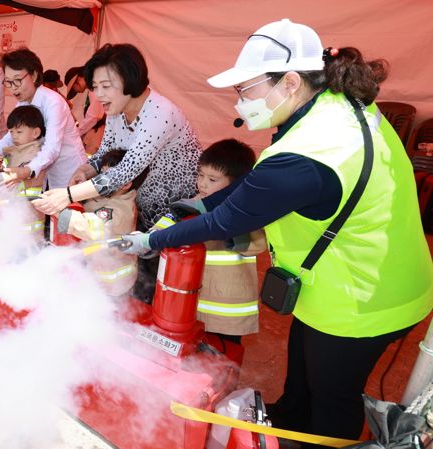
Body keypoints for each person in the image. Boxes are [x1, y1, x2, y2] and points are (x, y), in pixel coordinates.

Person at [120, 19, 433, 446]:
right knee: (303, 379)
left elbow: (226, 221)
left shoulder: (309, 153)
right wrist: (196, 204)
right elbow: (247, 193)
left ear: (289, 82)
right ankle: (285, 424)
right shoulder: (340, 104)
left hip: (363, 297)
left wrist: (151, 240)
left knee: (333, 401)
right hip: (353, 276)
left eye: (245, 90)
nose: (240, 103)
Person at [33, 43, 201, 229]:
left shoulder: (160, 113)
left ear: (130, 79)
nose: (99, 95)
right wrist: (85, 170)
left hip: (175, 211)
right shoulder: (116, 110)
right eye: (95, 87)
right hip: (138, 205)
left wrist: (68, 194)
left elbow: (125, 171)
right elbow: (105, 151)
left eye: (106, 86)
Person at [152, 139, 265, 343]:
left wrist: (223, 223)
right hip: (191, 302)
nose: (202, 183)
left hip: (226, 310)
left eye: (213, 179)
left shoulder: (247, 213)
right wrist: (149, 237)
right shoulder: (194, 203)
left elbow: (257, 245)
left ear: (236, 184)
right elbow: (165, 224)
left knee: (222, 357)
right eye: (201, 175)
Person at [58, 149, 147, 299]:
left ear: (125, 184)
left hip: (112, 285)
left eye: (106, 177)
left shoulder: (121, 210)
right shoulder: (107, 195)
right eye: (101, 174)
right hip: (96, 275)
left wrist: (63, 215)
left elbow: (95, 229)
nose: (99, 181)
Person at [0, 48, 86, 189]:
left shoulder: (53, 102)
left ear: (34, 76)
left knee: (66, 208)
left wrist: (27, 170)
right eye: (8, 82)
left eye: (17, 80)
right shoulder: (23, 102)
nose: (13, 88)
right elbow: (13, 132)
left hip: (68, 168)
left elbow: (52, 147)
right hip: (44, 169)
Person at [0, 105, 49, 235]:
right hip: (15, 215)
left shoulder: (36, 155)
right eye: (11, 132)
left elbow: (33, 178)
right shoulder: (15, 151)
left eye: (19, 132)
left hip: (29, 221)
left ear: (36, 133)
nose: (14, 136)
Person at [64, 66, 105, 154]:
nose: (77, 92)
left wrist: (77, 132)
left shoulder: (95, 85)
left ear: (78, 80)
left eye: (74, 88)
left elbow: (94, 116)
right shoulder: (94, 85)